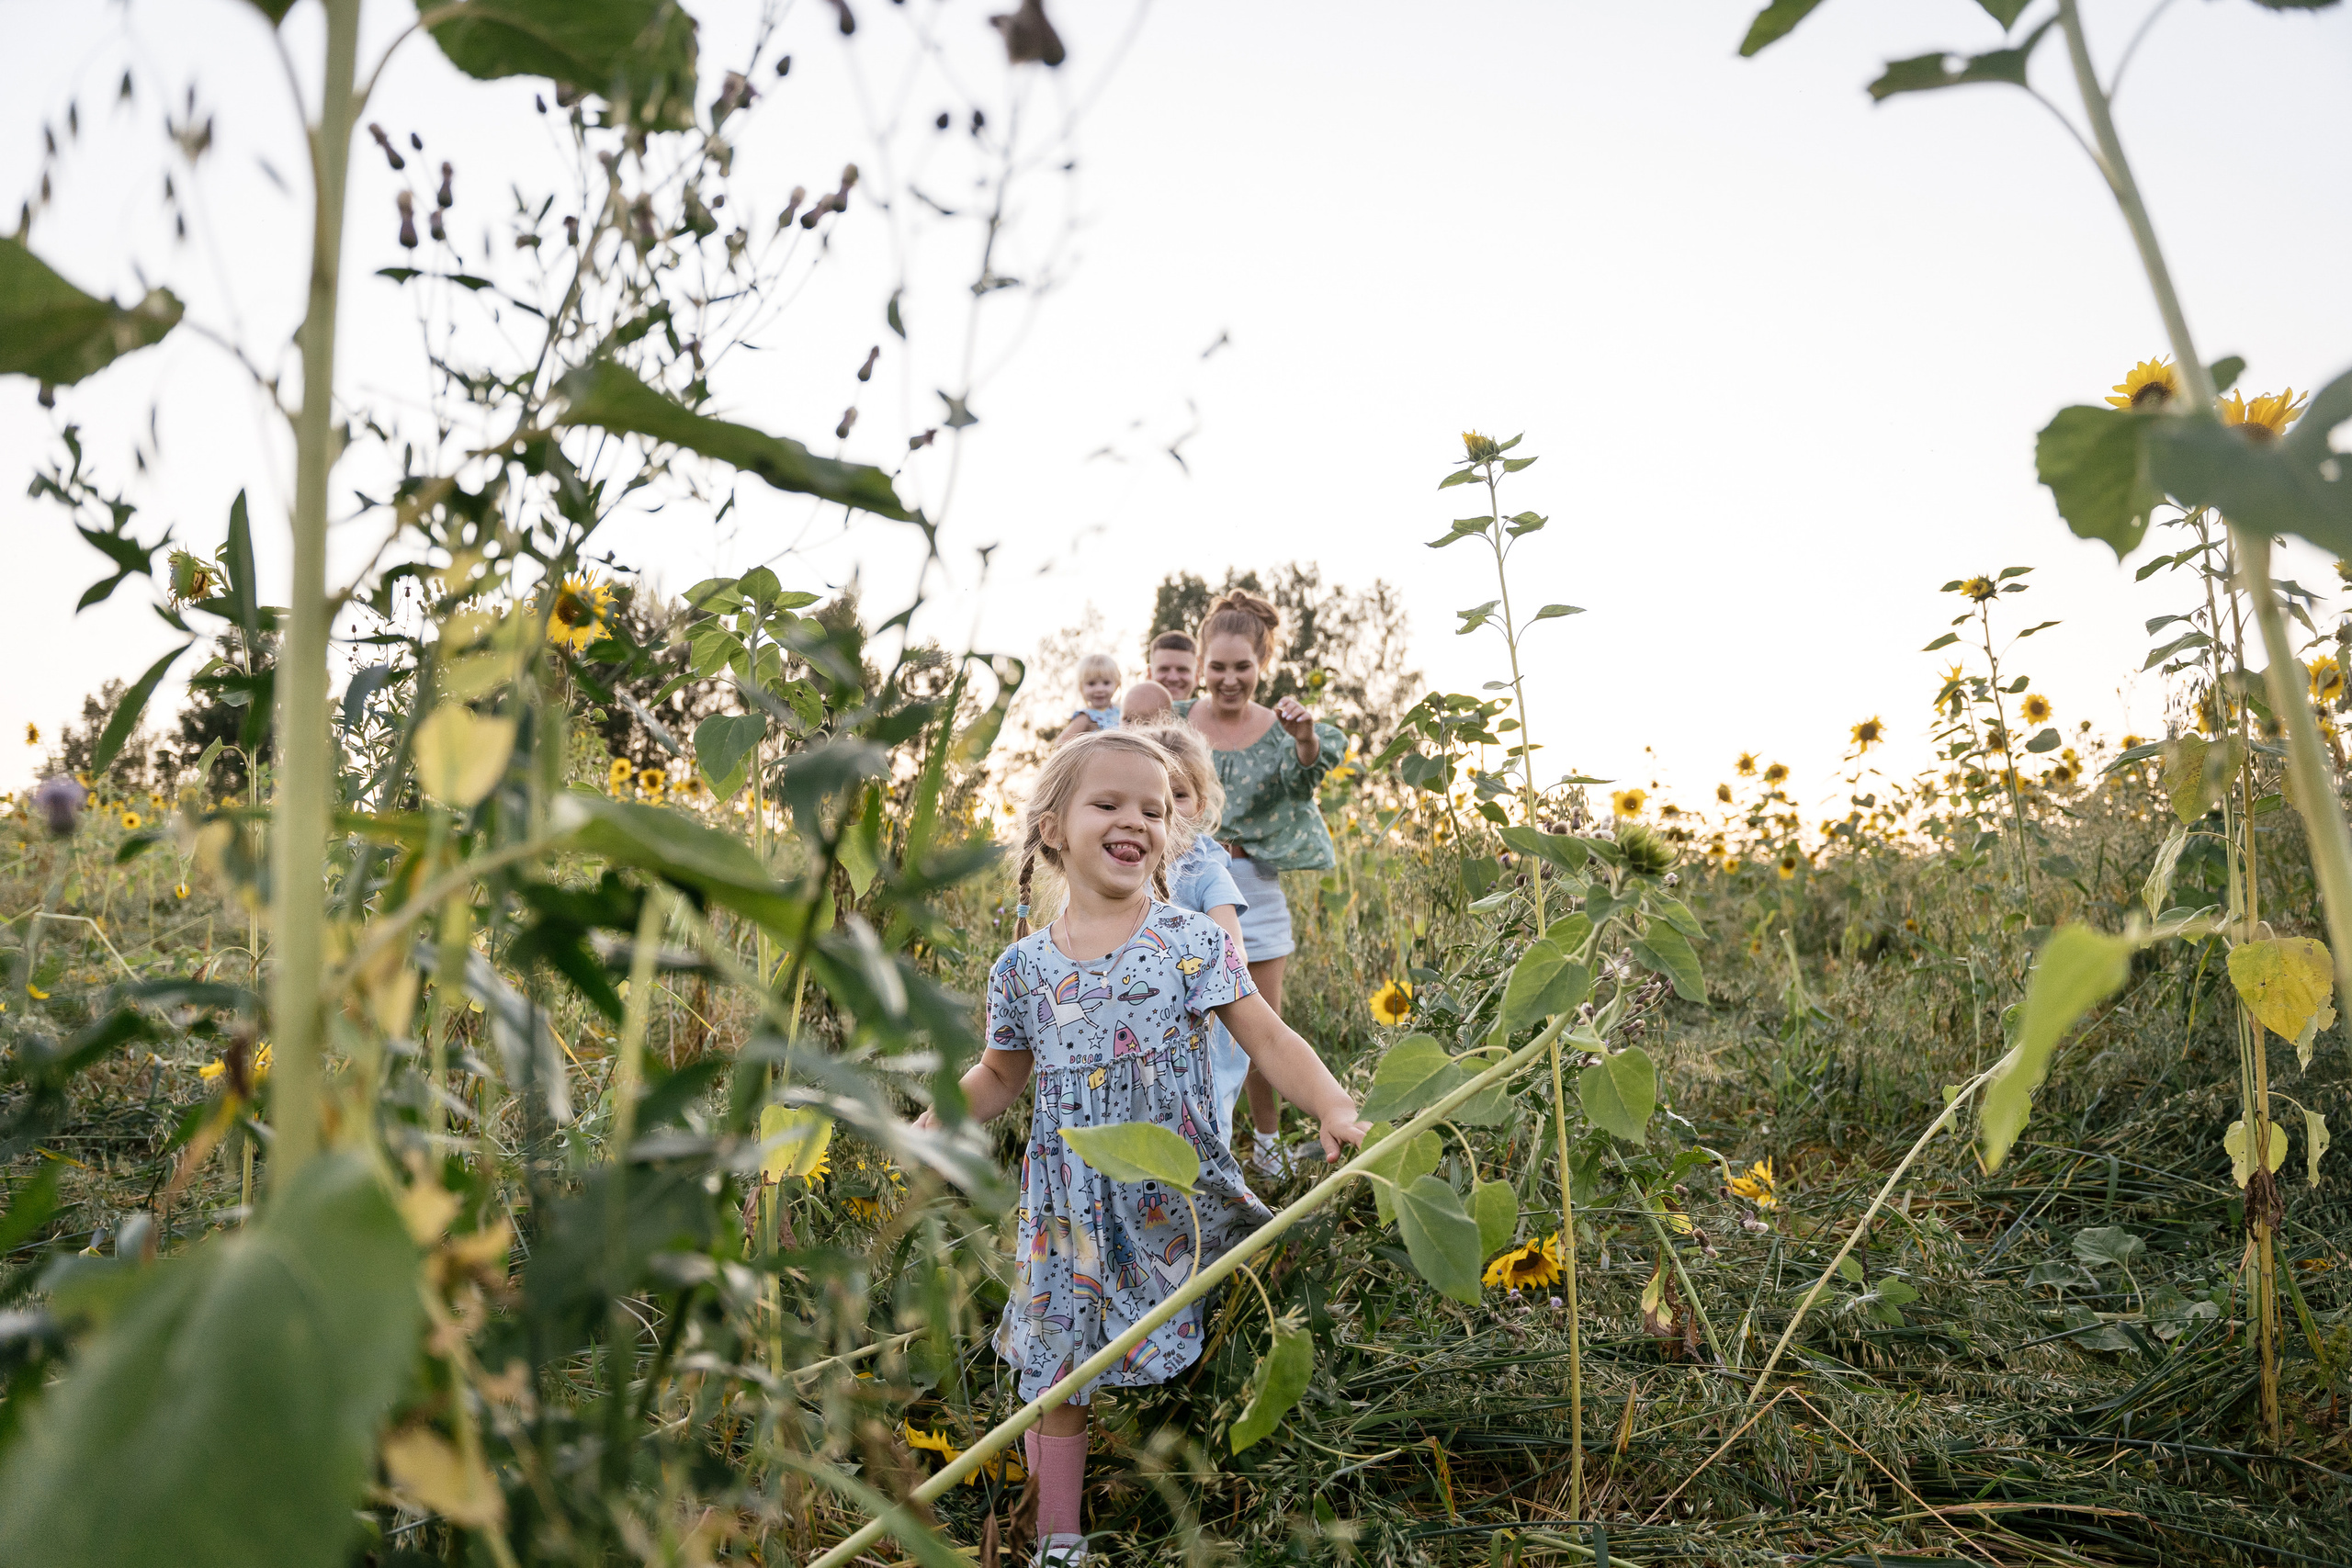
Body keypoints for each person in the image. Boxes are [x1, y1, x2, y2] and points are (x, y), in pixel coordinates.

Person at [921, 730, 1364, 1567]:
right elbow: (998, 1075)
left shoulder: (1190, 941)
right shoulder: (1020, 969)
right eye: (1110, 804)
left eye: (1155, 810)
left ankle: (1255, 1481)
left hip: (1177, 1192)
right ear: (1053, 827)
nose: (1137, 822)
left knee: (1249, 1310)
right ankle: (1059, 1538)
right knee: (1060, 1369)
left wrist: (1334, 1106)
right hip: (1070, 1209)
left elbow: (1266, 1037)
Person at [1178, 591, 1346, 1179]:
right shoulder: (1176, 721)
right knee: (1184, 1027)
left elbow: (1301, 784)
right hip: (1184, 885)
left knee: (1261, 1028)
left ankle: (1268, 1151)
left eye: (1242, 667)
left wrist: (1304, 738)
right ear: (1201, 665)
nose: (1229, 679)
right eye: (1218, 667)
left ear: (1262, 666)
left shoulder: (1279, 728)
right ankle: (1196, 1147)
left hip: (1254, 882)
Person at [1137, 722, 1255, 1140]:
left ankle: (1208, 1200)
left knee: (1201, 1118)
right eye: (1154, 794)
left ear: (1201, 805)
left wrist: (1201, 972)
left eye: (1180, 795)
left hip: (1199, 1019)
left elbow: (1233, 948)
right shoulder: (1127, 862)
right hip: (1137, 1016)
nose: (1166, 806)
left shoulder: (1205, 870)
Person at [1053, 654, 1125, 743]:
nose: (1099, 689)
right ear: (1081, 688)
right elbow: (1061, 743)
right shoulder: (1087, 717)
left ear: (1117, 684)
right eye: (1091, 683)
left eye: (1106, 683)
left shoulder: (1122, 712)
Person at [1147, 630, 1198, 702]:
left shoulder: (1212, 712)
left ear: (1197, 676)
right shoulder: (1131, 712)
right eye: (1164, 669)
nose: (1173, 678)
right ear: (1149, 674)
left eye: (1182, 670)